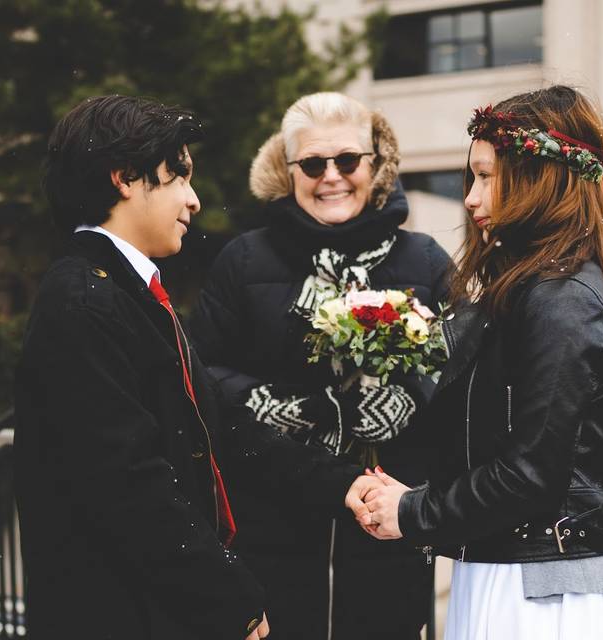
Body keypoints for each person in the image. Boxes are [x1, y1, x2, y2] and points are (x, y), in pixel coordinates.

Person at [13, 95, 382, 640]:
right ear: (126, 178)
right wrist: (231, 598)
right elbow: (127, 486)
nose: (193, 200)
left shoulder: (125, 292)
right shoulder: (85, 302)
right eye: (179, 178)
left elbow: (221, 425)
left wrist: (340, 483)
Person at [349, 85, 603, 639]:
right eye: (472, 178)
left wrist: (412, 512)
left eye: (487, 176)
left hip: (545, 592)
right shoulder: (529, 288)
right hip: (509, 570)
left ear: (539, 180)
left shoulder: (562, 300)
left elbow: (532, 471)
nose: (470, 197)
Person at [190, 92, 450, 639]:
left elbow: (462, 361)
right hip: (274, 513)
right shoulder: (243, 259)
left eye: (348, 160)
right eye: (312, 163)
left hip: (388, 521)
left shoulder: (423, 259)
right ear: (289, 173)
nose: (331, 176)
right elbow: (202, 369)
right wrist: (291, 406)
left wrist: (412, 396)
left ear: (375, 166)